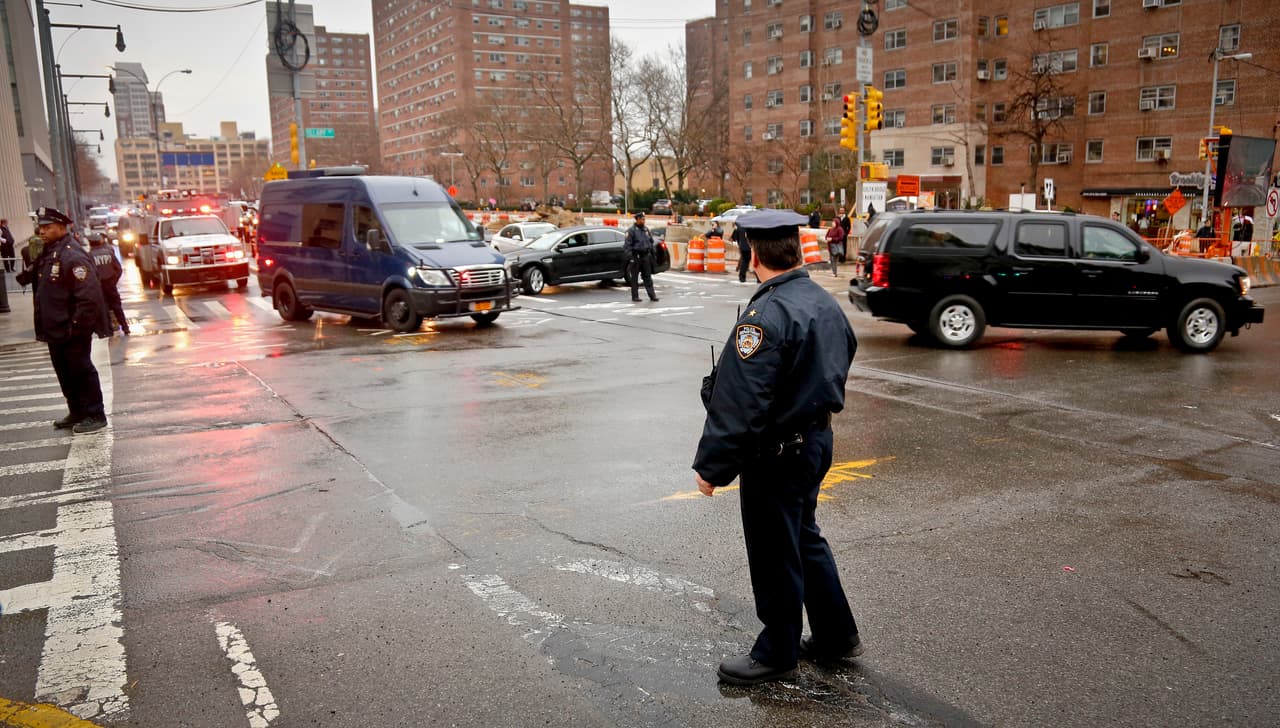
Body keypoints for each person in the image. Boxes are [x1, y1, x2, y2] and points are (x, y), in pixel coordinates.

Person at [694, 208, 862, 686]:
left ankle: (777, 651)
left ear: (753, 254)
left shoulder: (765, 316)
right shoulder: (822, 301)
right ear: (795, 250)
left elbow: (741, 402)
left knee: (774, 549)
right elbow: (842, 354)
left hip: (778, 452)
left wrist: (712, 468)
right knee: (804, 537)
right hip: (815, 439)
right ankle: (835, 634)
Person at [19, 208, 111, 434]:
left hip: (71, 328)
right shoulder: (51, 252)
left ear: (62, 227)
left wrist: (77, 327)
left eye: (47, 227)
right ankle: (77, 411)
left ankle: (95, 414)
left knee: (81, 370)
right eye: (40, 227)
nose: (42, 231)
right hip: (55, 326)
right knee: (65, 372)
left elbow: (88, 296)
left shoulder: (72, 255)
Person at [89, 232, 129, 335]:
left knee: (104, 308)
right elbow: (118, 269)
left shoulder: (89, 256)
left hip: (99, 287)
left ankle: (109, 330)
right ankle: (125, 327)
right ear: (100, 241)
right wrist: (113, 281)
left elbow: (89, 274)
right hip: (111, 285)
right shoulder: (109, 253)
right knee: (117, 307)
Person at [623, 212, 659, 302]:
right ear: (638, 219)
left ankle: (652, 295)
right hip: (636, 256)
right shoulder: (631, 231)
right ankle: (635, 296)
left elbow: (650, 242)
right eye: (642, 219)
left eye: (644, 219)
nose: (644, 221)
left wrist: (653, 254)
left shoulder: (646, 230)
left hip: (645, 256)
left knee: (647, 277)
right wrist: (631, 258)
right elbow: (627, 246)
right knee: (634, 278)